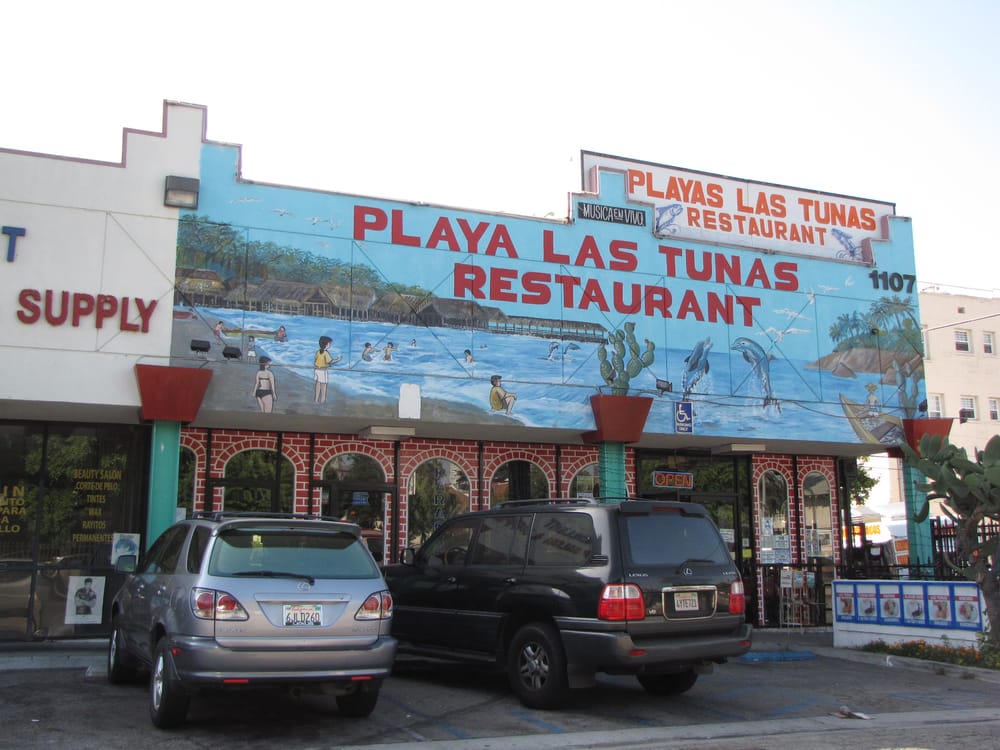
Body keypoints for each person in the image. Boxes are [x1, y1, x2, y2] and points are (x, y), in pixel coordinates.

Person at [313, 336, 342, 403]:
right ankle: (322, 400)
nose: (330, 345)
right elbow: (330, 361)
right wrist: (338, 359)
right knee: (323, 386)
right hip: (323, 371)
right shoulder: (326, 353)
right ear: (326, 344)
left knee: (317, 384)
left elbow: (316, 360)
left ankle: (316, 399)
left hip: (317, 369)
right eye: (329, 343)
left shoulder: (318, 352)